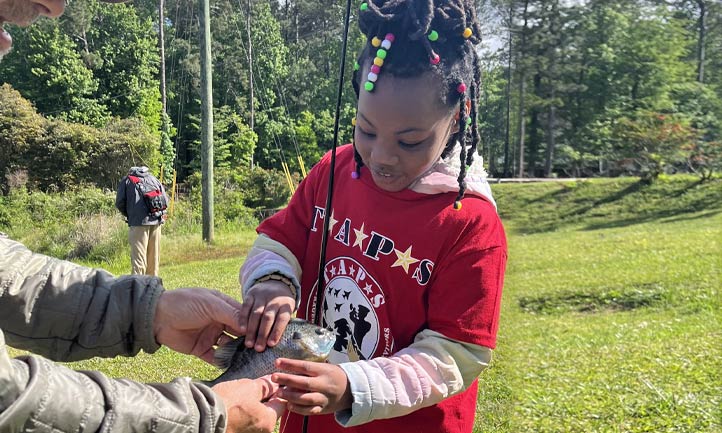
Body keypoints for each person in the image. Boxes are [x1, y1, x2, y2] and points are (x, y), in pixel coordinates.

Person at [0, 1, 284, 432]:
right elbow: (9, 400)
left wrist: (148, 311)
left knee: (142, 269)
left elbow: (7, 276)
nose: (55, 7)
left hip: (139, 225)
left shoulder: (130, 182)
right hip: (151, 224)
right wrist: (202, 416)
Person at [236, 1, 507, 432]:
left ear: (456, 121)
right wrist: (274, 281)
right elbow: (279, 240)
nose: (381, 156)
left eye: (411, 141)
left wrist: (353, 386)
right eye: (366, 129)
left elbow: (455, 354)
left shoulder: (470, 225)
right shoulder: (333, 170)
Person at [116, 166, 169, 276]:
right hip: (156, 221)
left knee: (139, 261)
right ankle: (153, 288)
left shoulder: (127, 181)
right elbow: (165, 200)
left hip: (138, 223)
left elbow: (120, 203)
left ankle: (138, 289)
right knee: (153, 260)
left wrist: (129, 214)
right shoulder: (153, 179)